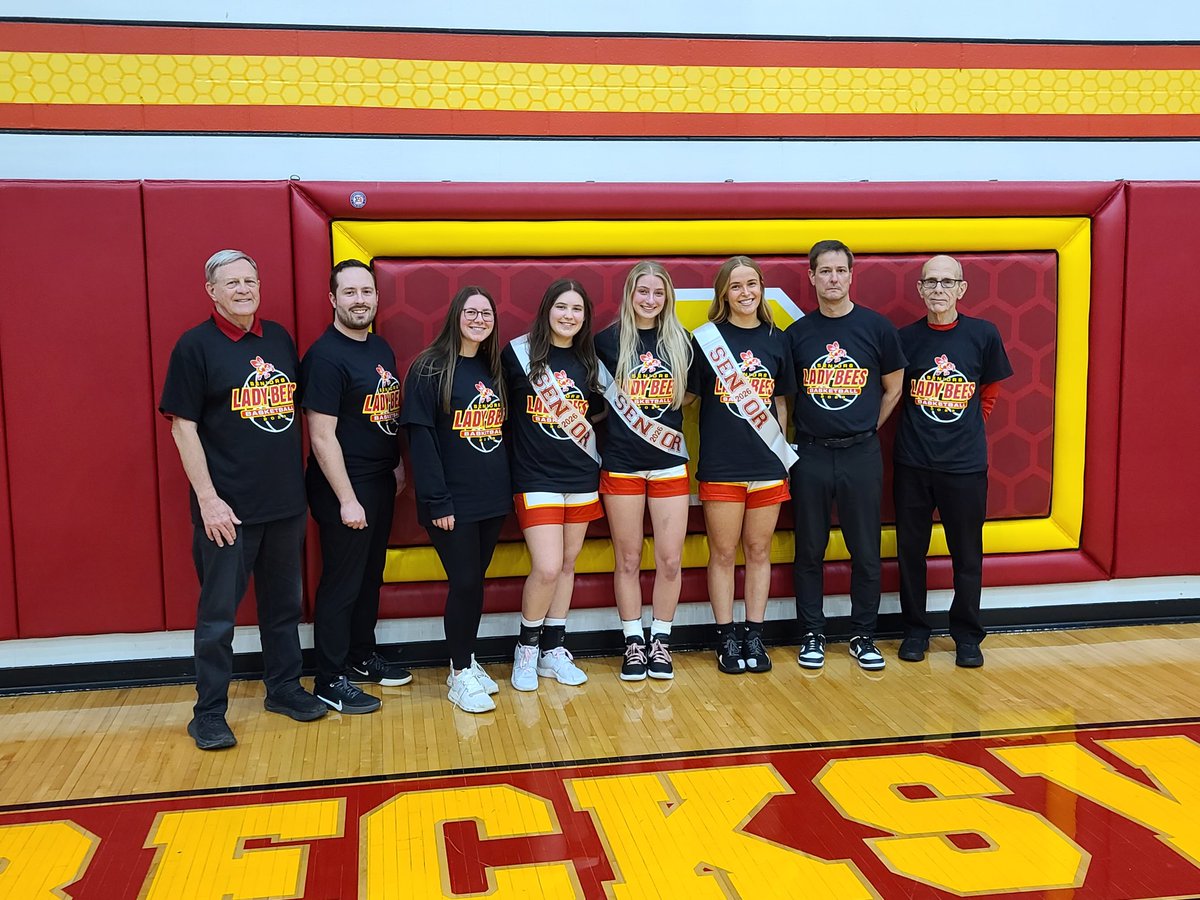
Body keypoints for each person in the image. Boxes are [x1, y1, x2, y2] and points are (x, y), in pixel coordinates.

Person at [159, 249, 326, 750]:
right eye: (231, 282)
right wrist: (208, 500)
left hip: (285, 504)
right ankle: (208, 712)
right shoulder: (194, 347)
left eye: (250, 280)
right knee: (217, 618)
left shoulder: (276, 338)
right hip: (227, 511)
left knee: (283, 607)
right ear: (211, 291)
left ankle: (284, 688)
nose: (243, 289)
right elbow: (183, 428)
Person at [786, 239, 906, 672]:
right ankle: (813, 634)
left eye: (840, 271)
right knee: (809, 550)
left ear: (851, 276)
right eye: (825, 271)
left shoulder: (877, 328)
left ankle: (863, 634)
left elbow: (895, 387)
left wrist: (866, 426)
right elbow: (787, 397)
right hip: (811, 454)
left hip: (861, 453)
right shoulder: (798, 335)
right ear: (812, 277)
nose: (833, 278)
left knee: (866, 550)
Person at [301, 260, 410, 716]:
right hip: (343, 487)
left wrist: (397, 464)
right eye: (349, 293)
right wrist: (348, 498)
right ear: (333, 300)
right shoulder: (325, 356)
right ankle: (328, 679)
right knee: (343, 583)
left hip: (379, 480)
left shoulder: (380, 347)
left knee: (370, 578)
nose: (359, 300)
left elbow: (383, 416)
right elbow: (320, 435)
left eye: (366, 291)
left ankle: (360, 656)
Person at [894, 255, 1013, 668]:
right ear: (920, 290)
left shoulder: (983, 334)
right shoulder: (905, 338)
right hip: (912, 463)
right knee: (911, 551)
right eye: (931, 282)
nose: (939, 289)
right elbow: (892, 391)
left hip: (964, 466)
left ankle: (966, 635)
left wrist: (967, 428)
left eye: (947, 282)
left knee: (967, 553)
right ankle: (915, 630)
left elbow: (991, 388)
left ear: (962, 288)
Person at [402, 286, 512, 712]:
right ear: (455, 315)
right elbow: (422, 440)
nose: (479, 319)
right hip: (451, 502)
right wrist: (437, 500)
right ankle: (459, 672)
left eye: (486, 313)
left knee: (474, 583)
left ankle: (467, 660)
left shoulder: (492, 368)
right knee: (464, 582)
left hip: (490, 497)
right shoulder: (429, 369)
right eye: (471, 311)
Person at [688, 256, 796, 675]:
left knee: (759, 551)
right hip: (721, 465)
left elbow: (782, 404)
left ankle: (754, 633)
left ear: (761, 288)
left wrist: (779, 455)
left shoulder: (778, 339)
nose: (746, 292)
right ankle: (726, 636)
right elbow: (689, 400)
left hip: (767, 465)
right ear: (723, 294)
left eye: (752, 283)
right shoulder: (706, 340)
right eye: (736, 286)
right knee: (722, 553)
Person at [502, 279, 604, 692]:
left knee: (566, 564)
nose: (568, 315)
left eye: (577, 309)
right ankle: (526, 648)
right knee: (546, 566)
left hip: (580, 476)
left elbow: (595, 414)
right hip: (534, 476)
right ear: (547, 310)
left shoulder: (589, 361)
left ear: (585, 317)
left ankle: (553, 649)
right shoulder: (517, 355)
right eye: (561, 306)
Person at [595, 262, 694, 681]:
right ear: (629, 294)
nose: (650, 300)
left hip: (669, 462)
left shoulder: (683, 342)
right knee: (629, 558)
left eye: (658, 292)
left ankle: (661, 641)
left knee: (671, 560)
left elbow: (689, 395)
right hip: (621, 465)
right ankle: (633, 641)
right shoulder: (605, 341)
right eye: (642, 292)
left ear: (667, 296)